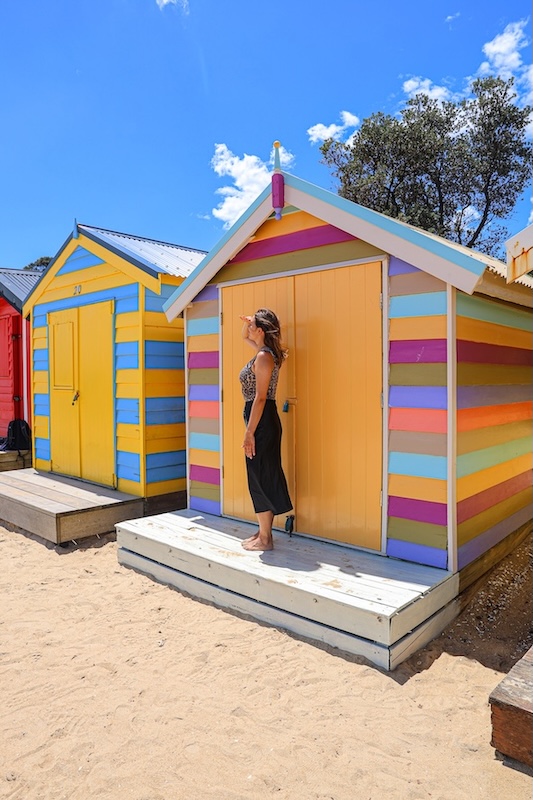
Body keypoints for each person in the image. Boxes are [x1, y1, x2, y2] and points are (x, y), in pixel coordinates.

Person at [238, 308, 293, 551]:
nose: (249, 329)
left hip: (261, 418)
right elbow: (244, 336)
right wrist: (249, 322)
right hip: (261, 418)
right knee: (261, 473)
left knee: (259, 474)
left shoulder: (264, 357)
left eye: (252, 326)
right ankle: (263, 532)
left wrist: (249, 432)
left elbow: (260, 398)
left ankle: (265, 539)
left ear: (260, 331)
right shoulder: (266, 352)